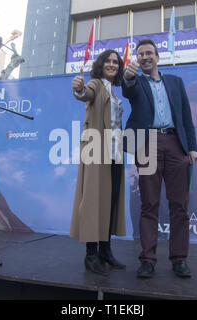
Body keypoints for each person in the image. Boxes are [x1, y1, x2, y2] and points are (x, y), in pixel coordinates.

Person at [122, 39, 197, 278]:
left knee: (179, 206)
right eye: (140, 54)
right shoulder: (136, 82)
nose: (144, 57)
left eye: (149, 53)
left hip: (176, 145)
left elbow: (186, 117)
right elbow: (128, 89)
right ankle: (147, 259)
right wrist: (129, 77)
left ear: (157, 57)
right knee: (149, 204)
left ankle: (179, 259)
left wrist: (192, 147)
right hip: (147, 145)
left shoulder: (175, 82)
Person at [70, 49, 126, 276]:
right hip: (95, 151)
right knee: (94, 201)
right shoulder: (95, 84)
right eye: (108, 61)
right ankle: (90, 255)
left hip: (114, 153)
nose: (112, 64)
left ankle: (106, 251)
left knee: (110, 202)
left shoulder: (113, 91)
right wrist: (78, 88)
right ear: (101, 65)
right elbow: (85, 94)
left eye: (116, 62)